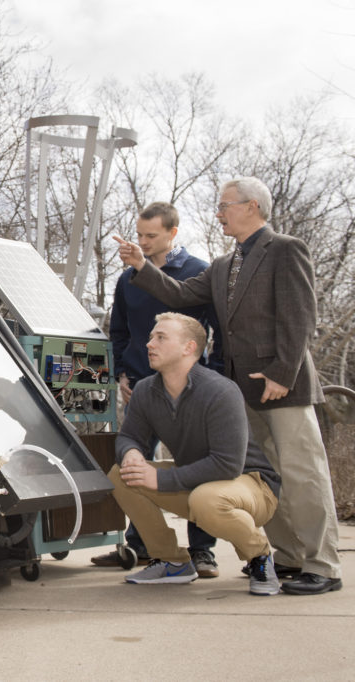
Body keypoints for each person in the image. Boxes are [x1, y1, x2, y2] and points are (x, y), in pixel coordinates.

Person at [114, 176, 342, 596]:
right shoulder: (222, 266)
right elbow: (180, 294)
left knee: (303, 473)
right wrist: (142, 266)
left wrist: (282, 372)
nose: (218, 213)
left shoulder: (285, 249)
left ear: (252, 206)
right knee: (265, 476)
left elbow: (300, 316)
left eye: (224, 206)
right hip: (244, 390)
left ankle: (323, 565)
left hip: (284, 385)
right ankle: (289, 556)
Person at [93, 202, 223, 576]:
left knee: (196, 465)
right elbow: (119, 332)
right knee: (133, 465)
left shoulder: (199, 272)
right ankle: (140, 545)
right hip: (140, 389)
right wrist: (122, 375)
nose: (143, 241)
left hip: (191, 389)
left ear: (172, 233)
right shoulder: (126, 280)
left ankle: (202, 551)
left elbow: (217, 333)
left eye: (151, 235)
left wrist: (212, 378)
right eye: (139, 235)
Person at [110, 313, 281, 595]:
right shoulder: (145, 391)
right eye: (151, 337)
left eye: (161, 337)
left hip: (252, 485)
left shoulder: (220, 391)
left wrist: (160, 480)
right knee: (121, 475)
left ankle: (259, 557)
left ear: (188, 347)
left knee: (206, 499)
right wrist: (130, 453)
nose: (150, 344)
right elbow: (129, 436)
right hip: (198, 483)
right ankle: (172, 561)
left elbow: (227, 464)